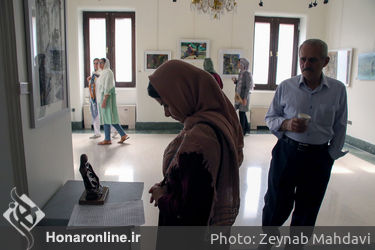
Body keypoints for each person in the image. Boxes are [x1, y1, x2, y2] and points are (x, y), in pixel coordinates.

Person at [262, 39, 348, 227]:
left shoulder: (338, 90)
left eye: (312, 60)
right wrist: (286, 124)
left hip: (318, 157)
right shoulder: (286, 86)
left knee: (308, 207)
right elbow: (270, 117)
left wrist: (330, 156)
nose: (306, 65)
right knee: (276, 201)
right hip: (287, 152)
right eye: (303, 59)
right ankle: (267, 239)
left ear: (325, 62)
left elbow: (340, 126)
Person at [147, 60, 244, 226]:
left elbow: (191, 212)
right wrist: (168, 185)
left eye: (166, 104)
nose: (166, 114)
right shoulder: (216, 120)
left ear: (182, 94)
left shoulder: (200, 141)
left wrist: (162, 197)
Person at [97, 58, 129, 145]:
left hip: (107, 98)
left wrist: (104, 99)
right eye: (99, 63)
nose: (100, 64)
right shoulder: (102, 72)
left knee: (109, 118)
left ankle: (109, 138)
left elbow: (107, 86)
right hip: (103, 97)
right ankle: (121, 135)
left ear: (106, 63)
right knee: (107, 118)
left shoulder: (108, 72)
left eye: (102, 63)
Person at [232, 58, 253, 135]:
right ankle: (246, 129)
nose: (237, 65)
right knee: (242, 113)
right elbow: (241, 84)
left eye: (238, 63)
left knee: (241, 113)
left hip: (244, 96)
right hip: (239, 95)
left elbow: (248, 87)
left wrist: (245, 98)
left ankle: (242, 131)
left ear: (242, 64)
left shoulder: (247, 73)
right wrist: (236, 82)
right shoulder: (241, 73)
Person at [87, 58, 101, 139]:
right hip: (93, 97)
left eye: (97, 63)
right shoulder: (93, 73)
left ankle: (114, 130)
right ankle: (97, 133)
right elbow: (92, 85)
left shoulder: (101, 73)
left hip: (99, 97)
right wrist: (89, 79)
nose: (95, 65)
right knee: (94, 115)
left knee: (104, 115)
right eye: (94, 63)